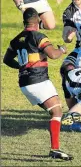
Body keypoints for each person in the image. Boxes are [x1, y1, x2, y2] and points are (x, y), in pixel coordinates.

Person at [3, 8, 73, 161]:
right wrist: (61, 49)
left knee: (56, 111)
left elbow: (6, 60)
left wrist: (22, 66)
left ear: (24, 22)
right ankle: (55, 149)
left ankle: (55, 148)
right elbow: (53, 55)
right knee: (57, 112)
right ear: (38, 21)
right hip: (38, 81)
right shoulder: (38, 36)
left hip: (25, 83)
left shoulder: (16, 40)